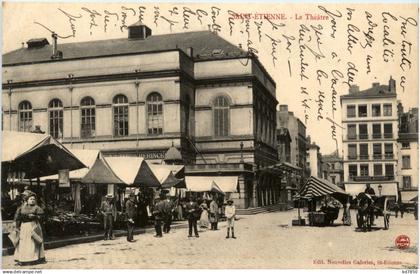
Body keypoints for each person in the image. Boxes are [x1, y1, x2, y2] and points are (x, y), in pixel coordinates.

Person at [13, 192, 46, 266]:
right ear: (27, 200)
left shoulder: (37, 208)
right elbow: (17, 217)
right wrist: (16, 225)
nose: (32, 200)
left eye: (34, 199)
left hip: (33, 225)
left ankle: (35, 258)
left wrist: (35, 216)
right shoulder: (21, 208)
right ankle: (23, 259)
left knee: (34, 242)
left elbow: (42, 217)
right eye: (31, 199)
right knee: (24, 243)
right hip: (24, 226)